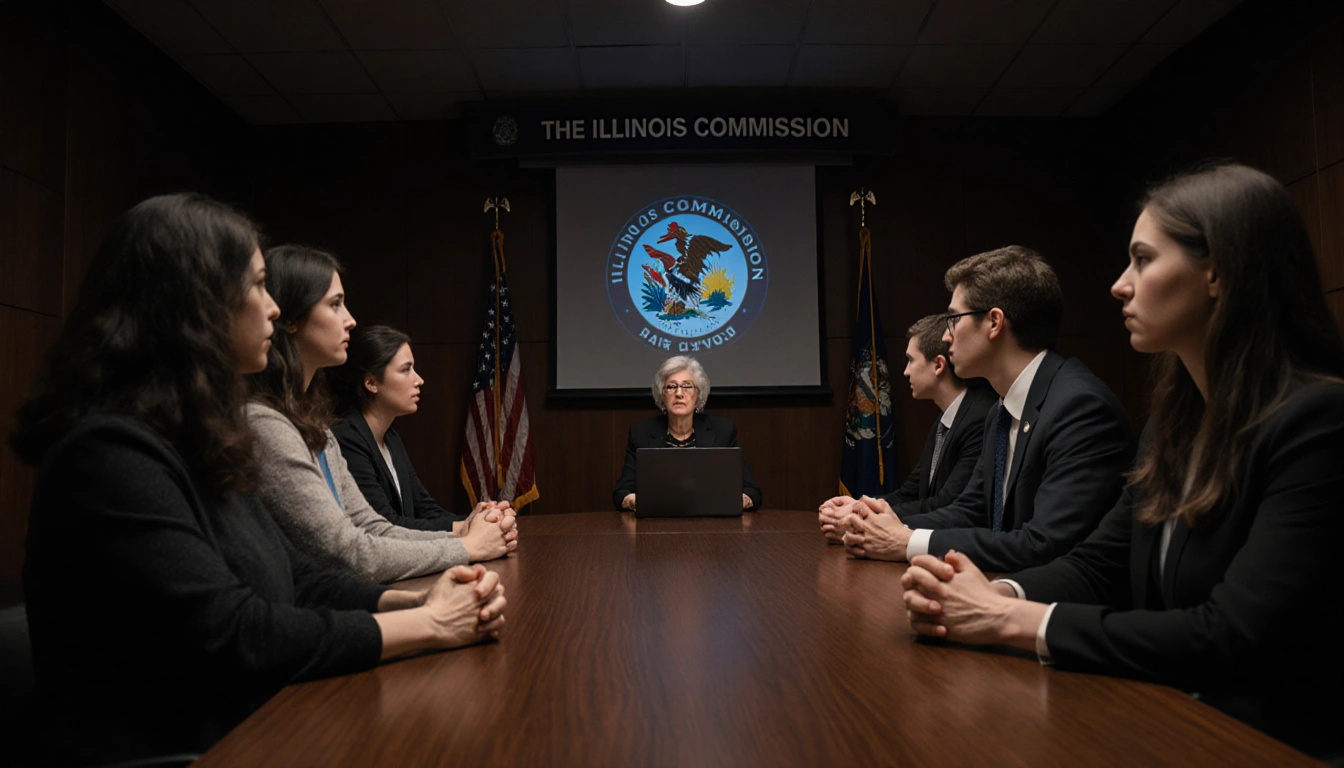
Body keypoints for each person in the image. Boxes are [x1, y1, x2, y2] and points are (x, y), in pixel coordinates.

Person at [11, 194, 507, 765]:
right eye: (256, 286)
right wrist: (430, 624)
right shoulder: (109, 455)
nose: (274, 309)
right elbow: (236, 636)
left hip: (249, 727)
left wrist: (411, 601)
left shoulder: (201, 438)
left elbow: (298, 580)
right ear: (193, 306)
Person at [900, 163, 1344, 758]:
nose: (1119, 284)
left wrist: (1011, 621)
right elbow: (1097, 565)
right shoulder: (1172, 425)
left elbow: (1232, 635)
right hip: (1168, 723)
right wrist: (995, 593)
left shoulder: (1319, 423)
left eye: (1142, 259)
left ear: (1218, 271)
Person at [837, 246, 1136, 572]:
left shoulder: (1079, 408)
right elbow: (971, 510)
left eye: (953, 319)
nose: (946, 337)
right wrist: (884, 524)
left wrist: (905, 542)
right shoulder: (1001, 409)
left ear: (994, 322)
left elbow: (1044, 545)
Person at [247, 245, 516, 583]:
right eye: (335, 304)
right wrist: (467, 546)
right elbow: (350, 553)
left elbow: (374, 528)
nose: (350, 320)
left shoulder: (318, 428)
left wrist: (467, 535)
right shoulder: (268, 424)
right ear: (290, 320)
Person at [818, 314, 995, 542]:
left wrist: (862, 517)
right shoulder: (945, 420)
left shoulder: (979, 417)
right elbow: (909, 492)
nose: (906, 371)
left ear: (939, 365)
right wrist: (859, 505)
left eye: (911, 360)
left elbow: (946, 503)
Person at [332, 325, 470, 533]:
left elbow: (424, 508)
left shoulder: (390, 436)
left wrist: (477, 519)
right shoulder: (346, 439)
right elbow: (385, 525)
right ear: (371, 382)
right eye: (406, 369)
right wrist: (464, 529)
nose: (419, 380)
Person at [613, 356, 761, 512]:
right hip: (657, 521)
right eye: (671, 387)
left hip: (712, 522)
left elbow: (752, 491)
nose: (679, 393)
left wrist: (737, 501)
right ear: (662, 397)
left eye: (687, 386)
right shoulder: (641, 433)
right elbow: (622, 492)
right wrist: (634, 501)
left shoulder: (722, 431)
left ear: (698, 396)